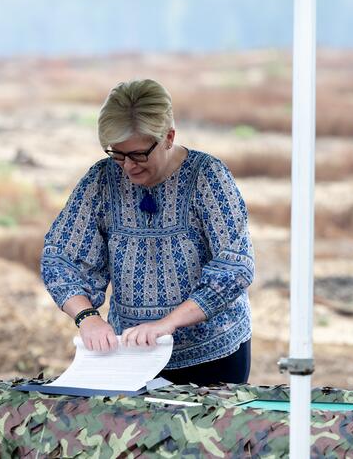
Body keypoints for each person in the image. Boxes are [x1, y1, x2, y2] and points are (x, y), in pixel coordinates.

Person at [41, 79, 255, 386]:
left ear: (168, 137)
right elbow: (62, 258)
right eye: (117, 154)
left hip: (213, 357)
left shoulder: (209, 177)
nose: (128, 167)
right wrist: (87, 317)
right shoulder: (101, 179)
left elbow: (235, 267)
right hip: (131, 357)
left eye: (139, 154)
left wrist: (166, 324)